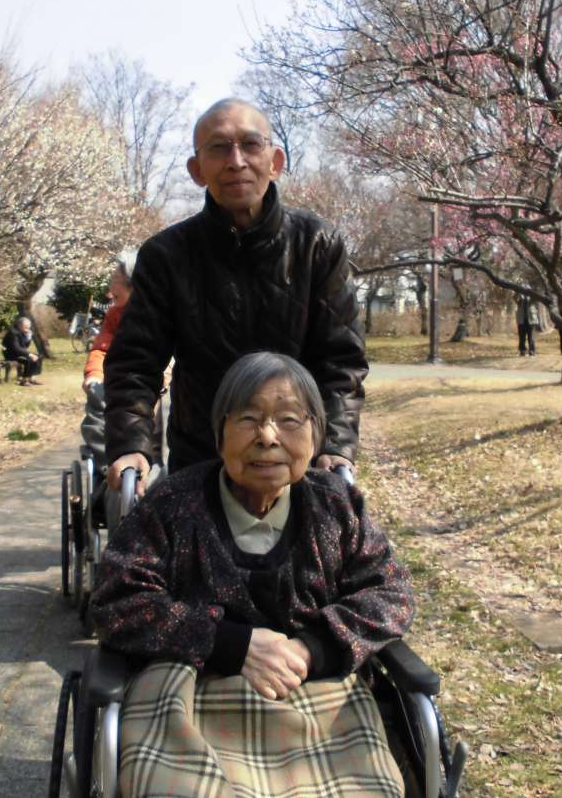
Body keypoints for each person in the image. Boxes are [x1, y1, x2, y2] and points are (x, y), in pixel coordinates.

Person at [91, 352, 412, 797]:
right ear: (219, 432)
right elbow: (117, 601)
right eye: (247, 418)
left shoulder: (336, 507)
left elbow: (390, 593)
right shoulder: (171, 506)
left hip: (317, 695)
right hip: (188, 694)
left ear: (316, 433)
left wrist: (312, 648)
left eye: (289, 419)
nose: (267, 437)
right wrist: (229, 644)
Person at [105, 98, 367, 495]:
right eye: (219, 148)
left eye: (250, 144)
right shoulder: (166, 255)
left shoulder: (317, 245)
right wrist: (132, 446)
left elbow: (341, 361)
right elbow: (135, 363)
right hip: (201, 460)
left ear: (275, 161)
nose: (236, 161)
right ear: (197, 170)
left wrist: (335, 444)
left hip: (296, 459)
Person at [80, 251, 136, 473]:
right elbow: (101, 348)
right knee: (98, 396)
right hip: (117, 378)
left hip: (150, 379)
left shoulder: (161, 311)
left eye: (115, 280)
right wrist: (94, 374)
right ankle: (108, 469)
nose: (110, 290)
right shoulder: (115, 314)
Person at [1, 316, 41, 385]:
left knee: (39, 357)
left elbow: (25, 346)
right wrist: (29, 354)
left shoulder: (21, 332)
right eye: (26, 327)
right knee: (29, 359)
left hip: (18, 353)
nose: (28, 329)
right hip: (11, 355)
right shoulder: (13, 333)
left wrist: (28, 337)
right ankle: (24, 380)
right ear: (19, 325)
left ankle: (32, 378)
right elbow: (16, 348)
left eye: (28, 327)